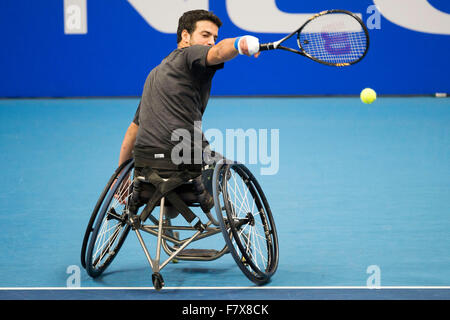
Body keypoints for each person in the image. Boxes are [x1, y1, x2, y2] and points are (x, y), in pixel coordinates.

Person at [118, 9, 260, 214]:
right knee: (224, 166)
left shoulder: (154, 74)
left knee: (176, 162)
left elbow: (133, 129)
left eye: (214, 37)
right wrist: (240, 42)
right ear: (185, 36)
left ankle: (168, 221)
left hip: (145, 172)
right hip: (184, 168)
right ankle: (231, 224)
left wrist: (120, 176)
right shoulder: (190, 54)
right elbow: (220, 51)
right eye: (205, 35)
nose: (211, 41)